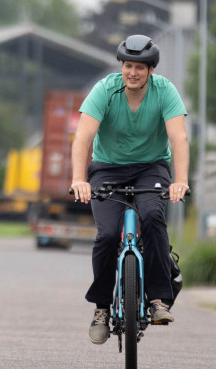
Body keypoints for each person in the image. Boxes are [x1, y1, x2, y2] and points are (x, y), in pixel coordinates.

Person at [68, 35, 190, 345]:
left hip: (151, 168)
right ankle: (101, 308)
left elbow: (178, 139)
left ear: (151, 70)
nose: (132, 72)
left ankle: (159, 299)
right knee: (108, 235)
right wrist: (79, 179)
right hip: (107, 168)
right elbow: (82, 138)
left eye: (139, 67)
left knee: (152, 218)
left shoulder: (165, 92)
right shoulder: (105, 90)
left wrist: (181, 180)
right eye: (127, 66)